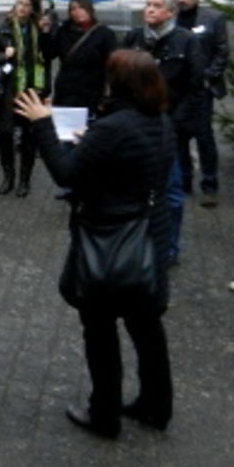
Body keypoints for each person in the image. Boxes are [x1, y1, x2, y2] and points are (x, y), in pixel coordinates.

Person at [17, 49, 175, 438]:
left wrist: (42, 125)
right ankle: (157, 405)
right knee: (147, 327)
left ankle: (103, 413)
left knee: (100, 330)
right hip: (148, 237)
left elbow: (66, 173)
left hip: (107, 238)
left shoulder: (112, 127)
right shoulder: (160, 122)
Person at [123, 0, 203, 265]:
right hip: (136, 124)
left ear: (171, 12)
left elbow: (195, 86)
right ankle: (136, 241)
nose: (150, 10)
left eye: (157, 6)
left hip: (169, 126)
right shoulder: (135, 38)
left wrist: (179, 123)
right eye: (147, 4)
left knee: (171, 190)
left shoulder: (186, 41)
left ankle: (169, 248)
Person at [0, 0, 54, 198]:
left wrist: (47, 32)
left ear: (33, 9)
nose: (21, 7)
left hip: (32, 90)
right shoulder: (1, 27)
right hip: (7, 90)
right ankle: (8, 176)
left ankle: (24, 179)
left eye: (26, 5)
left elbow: (49, 57)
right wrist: (3, 55)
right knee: (5, 133)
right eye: (19, 3)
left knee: (30, 135)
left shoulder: (38, 28)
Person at [174, 0, 230, 202]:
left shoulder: (213, 18)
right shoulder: (173, 18)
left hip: (202, 88)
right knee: (179, 137)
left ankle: (209, 184)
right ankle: (184, 180)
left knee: (204, 135)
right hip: (178, 87)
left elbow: (222, 51)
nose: (182, 0)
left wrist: (208, 77)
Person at [48, 0, 117, 113]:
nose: (77, 12)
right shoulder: (63, 31)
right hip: (66, 91)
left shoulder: (104, 34)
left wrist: (107, 95)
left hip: (92, 92)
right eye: (73, 9)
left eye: (81, 8)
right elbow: (49, 53)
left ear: (90, 10)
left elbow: (112, 66)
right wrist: (45, 33)